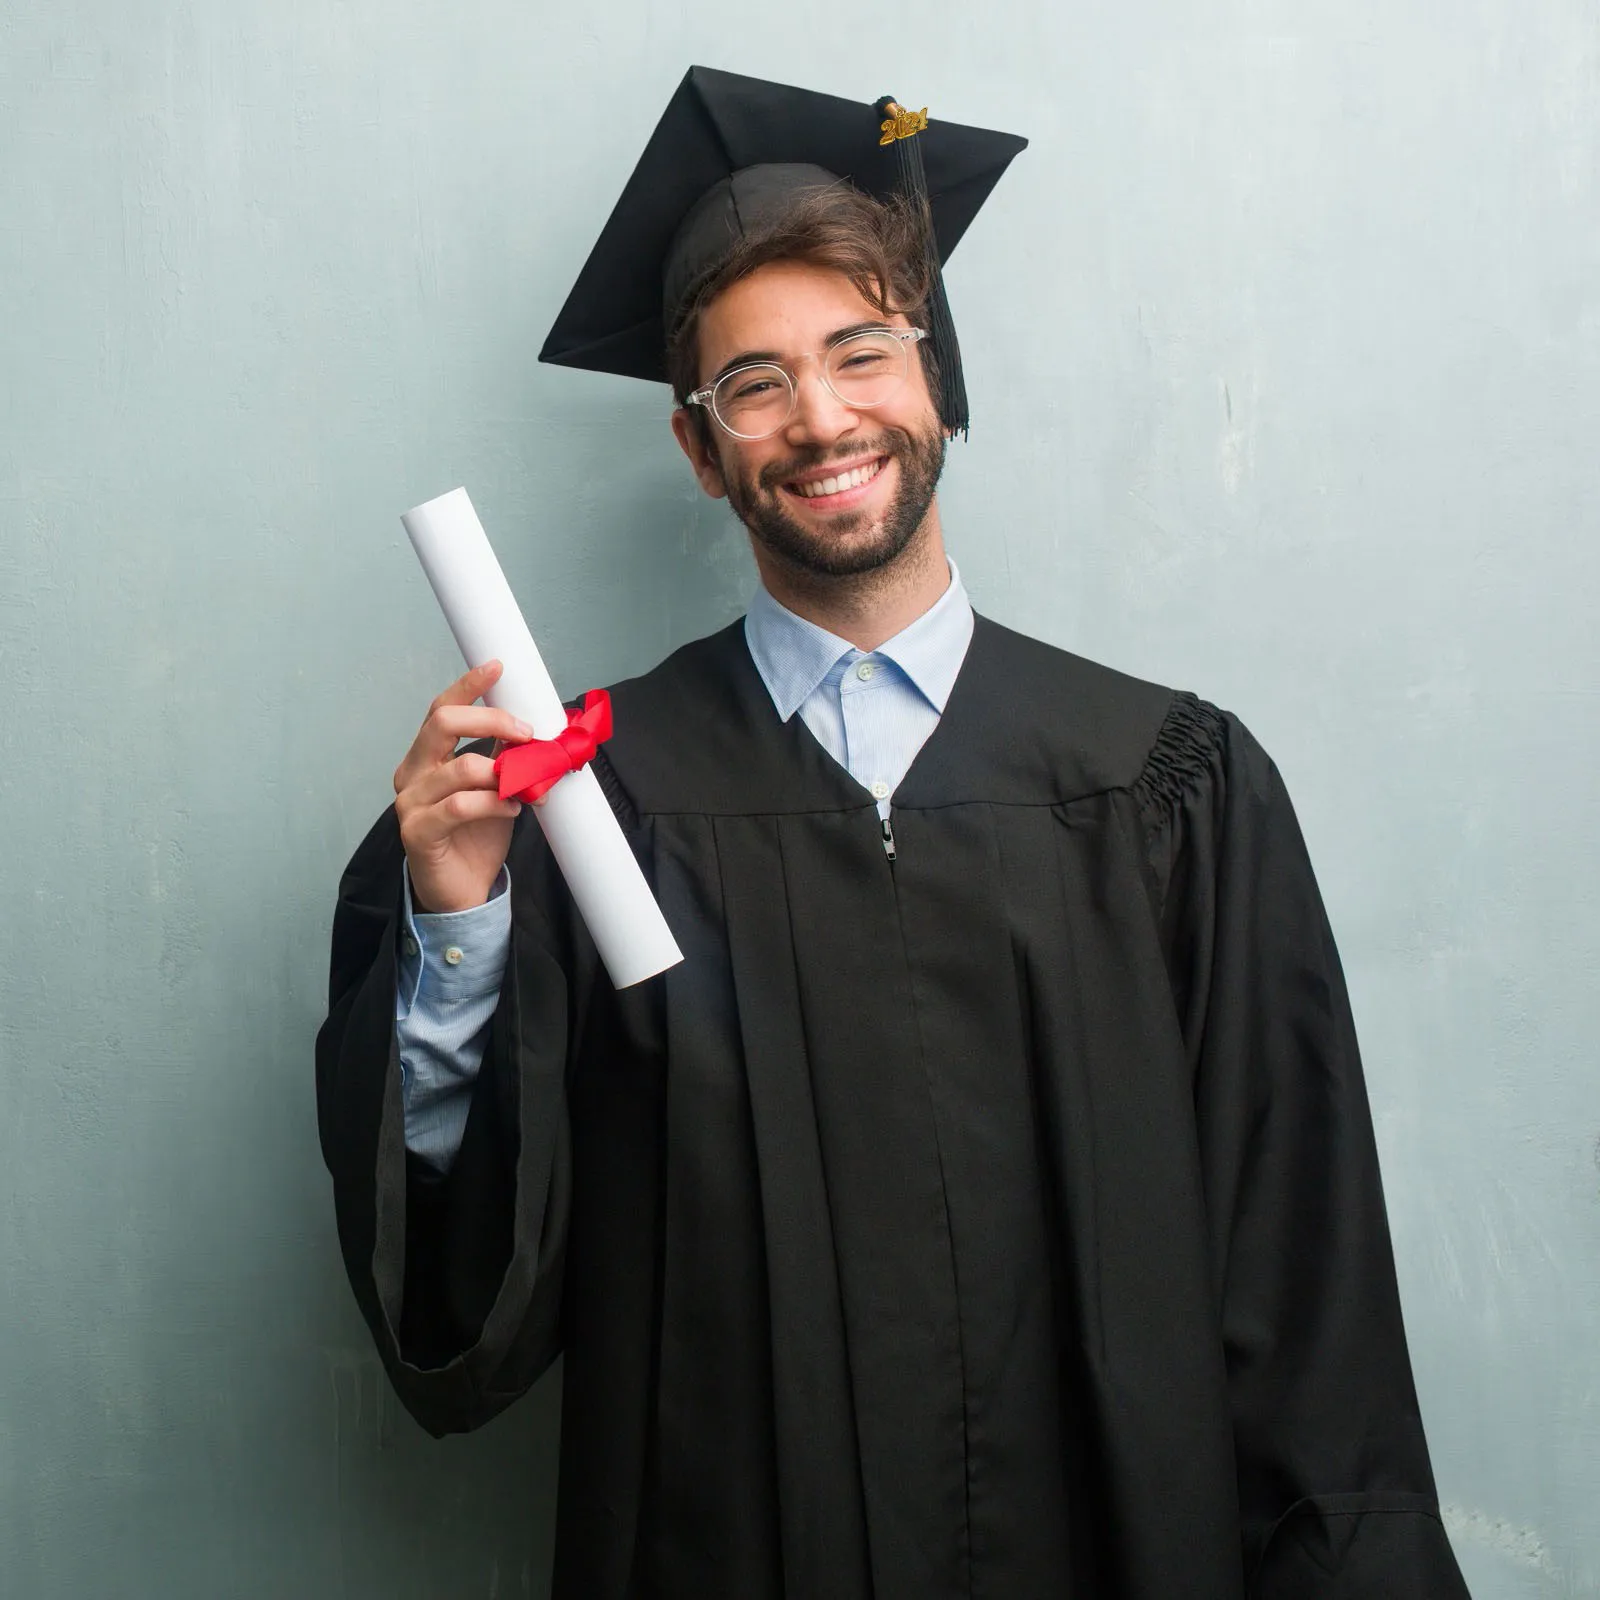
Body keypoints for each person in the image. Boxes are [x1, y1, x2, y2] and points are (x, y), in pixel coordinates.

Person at [317, 66, 1470, 1599]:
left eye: (859, 351)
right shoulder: (595, 805)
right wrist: (459, 922)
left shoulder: (1168, 788)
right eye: (755, 384)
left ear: (935, 379)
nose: (820, 417)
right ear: (700, 447)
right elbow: (476, 1294)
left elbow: (1303, 1281)